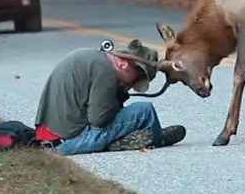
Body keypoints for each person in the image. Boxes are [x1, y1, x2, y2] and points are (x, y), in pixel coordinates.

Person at [35, 39, 186, 155]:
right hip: (68, 143)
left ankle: (122, 140)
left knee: (126, 115)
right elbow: (99, 120)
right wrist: (115, 100)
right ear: (124, 65)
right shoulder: (106, 71)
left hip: (49, 138)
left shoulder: (90, 57)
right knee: (144, 110)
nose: (132, 85)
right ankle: (156, 139)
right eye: (135, 79)